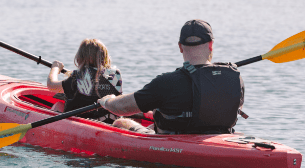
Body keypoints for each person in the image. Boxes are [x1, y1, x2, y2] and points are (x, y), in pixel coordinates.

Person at [98, 20, 244, 134]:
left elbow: (121, 108)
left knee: (121, 123)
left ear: (180, 46)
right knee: (151, 122)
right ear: (211, 45)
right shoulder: (234, 78)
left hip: (175, 143)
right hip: (221, 138)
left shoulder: (166, 82)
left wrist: (107, 101)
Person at [47, 38, 123, 123]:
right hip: (108, 124)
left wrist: (55, 68)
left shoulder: (77, 77)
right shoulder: (115, 75)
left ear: (80, 57)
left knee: (59, 105)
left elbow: (51, 85)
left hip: (82, 125)